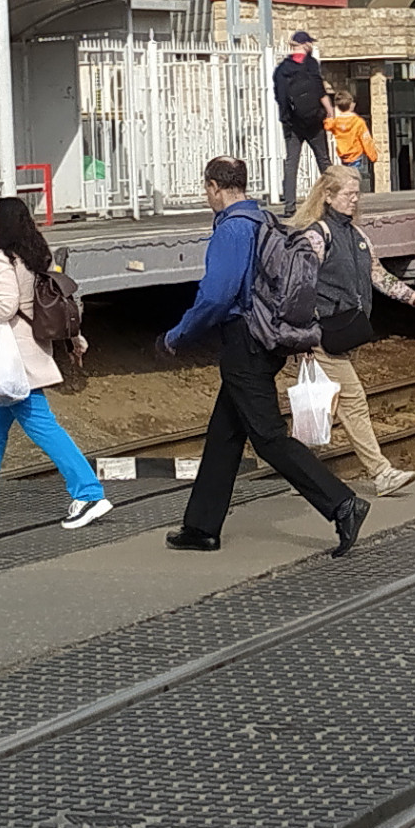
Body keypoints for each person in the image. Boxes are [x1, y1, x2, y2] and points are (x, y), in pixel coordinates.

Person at [159, 156, 368, 556]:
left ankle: (342, 505)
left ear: (214, 187)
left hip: (245, 342)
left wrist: (178, 335)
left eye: (207, 190)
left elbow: (217, 295)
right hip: (268, 338)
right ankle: (201, 526)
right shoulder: (263, 219)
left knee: (269, 438)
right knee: (225, 435)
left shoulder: (234, 229)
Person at [0, 196, 115, 530]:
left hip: (12, 358)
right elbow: (46, 299)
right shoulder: (35, 255)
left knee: (42, 425)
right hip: (28, 349)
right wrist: (73, 337)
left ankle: (89, 492)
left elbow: (6, 307)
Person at [290, 168, 415, 495]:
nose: (354, 199)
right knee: (353, 401)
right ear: (328, 196)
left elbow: (379, 276)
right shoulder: (317, 236)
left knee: (320, 408)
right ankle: (381, 473)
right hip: (323, 337)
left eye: (357, 193)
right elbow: (298, 286)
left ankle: (294, 469)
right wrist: (301, 334)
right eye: (348, 193)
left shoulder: (358, 236)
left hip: (345, 334)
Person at [272, 31, 332, 206]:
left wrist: (286, 119)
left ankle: (290, 204)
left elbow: (280, 96)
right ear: (305, 44)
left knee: (291, 163)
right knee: (323, 160)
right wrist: (329, 109)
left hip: (293, 123)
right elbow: (319, 88)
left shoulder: (282, 69)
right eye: (310, 43)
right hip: (313, 122)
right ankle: (332, 198)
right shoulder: (311, 64)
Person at [322, 85, 380, 192]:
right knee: (355, 177)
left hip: (343, 155)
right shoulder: (358, 122)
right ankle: (354, 193)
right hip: (356, 155)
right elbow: (366, 140)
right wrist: (373, 156)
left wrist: (329, 115)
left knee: (347, 176)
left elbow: (327, 125)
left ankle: (348, 191)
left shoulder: (336, 122)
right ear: (351, 105)